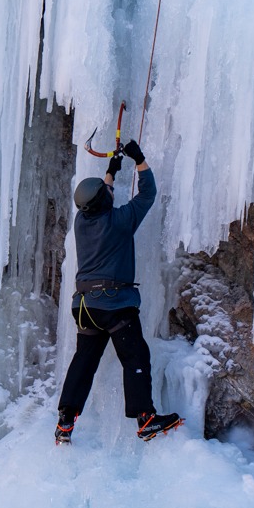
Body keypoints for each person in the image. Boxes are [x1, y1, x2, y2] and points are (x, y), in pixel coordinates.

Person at [55, 139, 182, 445]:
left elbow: (100, 196)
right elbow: (148, 194)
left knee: (84, 361)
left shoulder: (81, 222)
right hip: (114, 305)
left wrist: (110, 171)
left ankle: (64, 423)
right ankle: (145, 418)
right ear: (105, 201)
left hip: (85, 307)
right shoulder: (121, 221)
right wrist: (139, 159)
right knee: (135, 356)